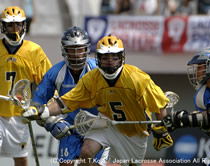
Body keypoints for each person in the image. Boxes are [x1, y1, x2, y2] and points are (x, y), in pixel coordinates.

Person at [22, 34, 174, 166]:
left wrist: (161, 131)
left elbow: (159, 103)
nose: (110, 62)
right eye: (105, 57)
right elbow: (67, 102)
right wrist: (43, 110)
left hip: (133, 131)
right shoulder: (92, 78)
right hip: (106, 123)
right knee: (86, 152)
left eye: (114, 57)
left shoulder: (137, 78)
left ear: (122, 58)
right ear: (98, 58)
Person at [32, 26, 109, 166]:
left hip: (97, 127)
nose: (76, 55)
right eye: (71, 50)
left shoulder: (99, 71)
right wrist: (52, 122)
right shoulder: (54, 73)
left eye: (79, 50)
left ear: (86, 49)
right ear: (64, 51)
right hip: (70, 127)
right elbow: (37, 104)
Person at [0, 6, 52, 166]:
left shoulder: (33, 51)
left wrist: (43, 106)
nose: (14, 29)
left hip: (20, 113)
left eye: (18, 25)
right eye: (10, 25)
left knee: (21, 159)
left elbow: (48, 82)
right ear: (3, 27)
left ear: (24, 26)